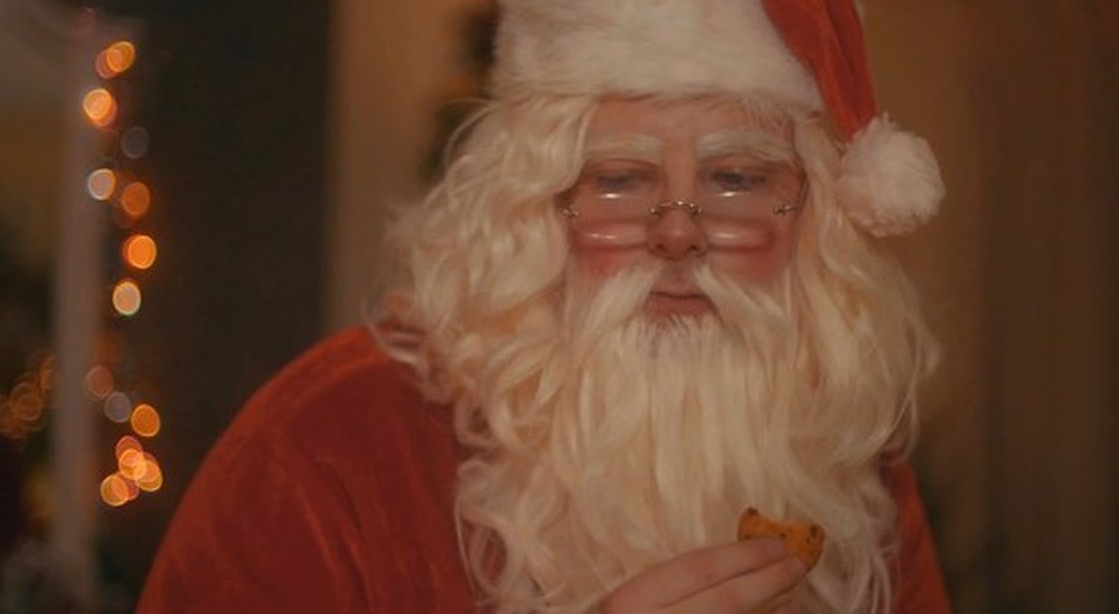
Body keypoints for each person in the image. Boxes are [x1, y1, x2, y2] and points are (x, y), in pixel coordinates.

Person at [137, 0, 951, 612]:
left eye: (736, 179)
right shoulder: (319, 452)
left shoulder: (845, 464)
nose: (677, 233)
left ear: (813, 215)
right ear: (529, 208)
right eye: (618, 180)